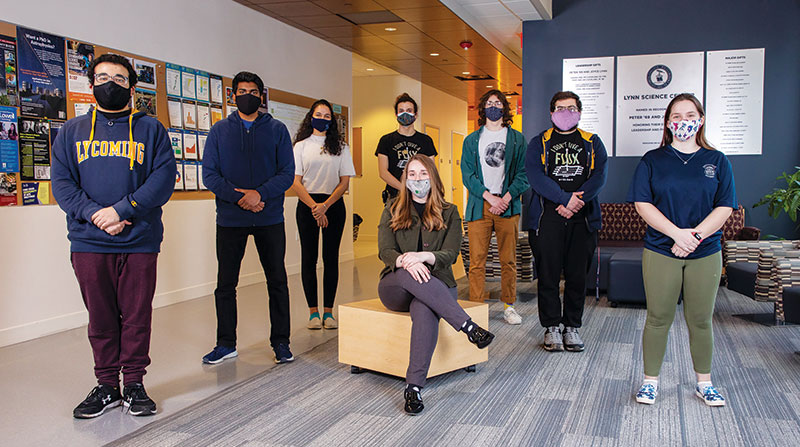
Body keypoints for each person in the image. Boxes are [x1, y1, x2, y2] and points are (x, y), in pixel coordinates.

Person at [51, 53, 176, 418]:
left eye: (120, 79)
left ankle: (134, 383)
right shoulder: (71, 132)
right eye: (103, 77)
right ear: (91, 85)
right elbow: (62, 185)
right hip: (89, 241)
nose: (111, 84)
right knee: (101, 316)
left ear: (132, 88)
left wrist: (122, 211)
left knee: (137, 315)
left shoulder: (152, 130)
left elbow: (162, 180)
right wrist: (96, 215)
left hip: (139, 240)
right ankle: (107, 386)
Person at [628, 93, 736, 407]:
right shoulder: (652, 160)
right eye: (676, 115)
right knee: (658, 317)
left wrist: (694, 237)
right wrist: (676, 234)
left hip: (705, 251)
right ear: (667, 122)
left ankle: (705, 382)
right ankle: (650, 381)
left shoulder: (717, 161)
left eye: (690, 115)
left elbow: (725, 206)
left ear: (700, 120)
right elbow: (642, 204)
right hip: (662, 249)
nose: (683, 121)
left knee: (700, 319)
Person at [378, 154, 494, 415]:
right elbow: (385, 250)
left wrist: (423, 256)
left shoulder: (450, 211)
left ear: (432, 176)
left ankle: (413, 387)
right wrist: (408, 261)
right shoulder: (392, 208)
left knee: (424, 307)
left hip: (437, 287)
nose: (417, 179)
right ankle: (467, 326)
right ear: (405, 179)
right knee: (410, 271)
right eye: (412, 174)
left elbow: (451, 254)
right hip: (396, 286)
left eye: (423, 173)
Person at [201, 71, 296, 365]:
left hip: (269, 218)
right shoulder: (219, 131)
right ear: (233, 96)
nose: (248, 96)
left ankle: (281, 342)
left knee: (277, 280)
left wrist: (260, 194)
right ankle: (225, 343)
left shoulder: (277, 130)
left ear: (261, 96)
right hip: (230, 219)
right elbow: (210, 176)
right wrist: (240, 197)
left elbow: (287, 174)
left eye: (253, 92)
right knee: (226, 284)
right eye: (242, 91)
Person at [524, 91, 608, 352]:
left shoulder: (592, 142)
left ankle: (571, 326)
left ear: (580, 112)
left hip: (582, 220)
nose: (566, 113)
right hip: (547, 219)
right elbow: (535, 176)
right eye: (560, 108)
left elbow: (599, 175)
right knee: (547, 275)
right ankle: (551, 327)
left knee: (576, 277)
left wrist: (575, 202)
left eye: (571, 108)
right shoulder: (539, 143)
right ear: (551, 113)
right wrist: (563, 200)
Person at [460, 89, 529, 324]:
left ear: (504, 109)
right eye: (489, 103)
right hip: (480, 206)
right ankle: (476, 310)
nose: (493, 106)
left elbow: (523, 174)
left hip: (507, 206)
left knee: (508, 260)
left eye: (498, 103)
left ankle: (509, 306)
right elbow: (467, 175)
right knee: (476, 262)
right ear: (483, 108)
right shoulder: (472, 140)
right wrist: (490, 198)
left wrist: (505, 199)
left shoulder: (517, 139)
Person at [291, 99, 355, 329]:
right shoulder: (300, 146)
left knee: (330, 259)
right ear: (311, 117)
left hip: (333, 205)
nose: (323, 119)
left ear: (332, 120)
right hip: (308, 204)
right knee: (308, 259)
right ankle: (313, 313)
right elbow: (295, 182)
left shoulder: (342, 147)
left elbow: (344, 181)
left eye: (328, 116)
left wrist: (325, 206)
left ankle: (328, 312)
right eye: (319, 114)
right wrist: (315, 207)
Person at [375, 92, 437, 203]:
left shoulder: (426, 140)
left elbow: (431, 170)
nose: (405, 114)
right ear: (396, 114)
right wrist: (404, 189)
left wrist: (416, 190)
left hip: (421, 196)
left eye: (409, 111)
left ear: (415, 114)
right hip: (395, 197)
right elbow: (383, 172)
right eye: (401, 111)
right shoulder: (386, 140)